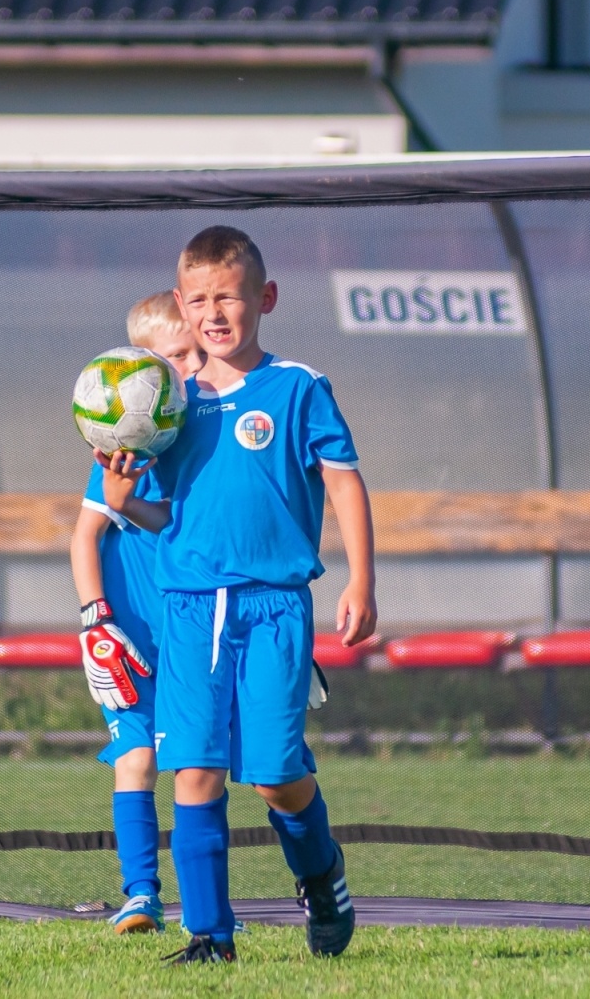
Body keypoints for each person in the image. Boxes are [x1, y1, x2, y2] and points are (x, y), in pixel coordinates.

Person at [100, 226, 377, 965]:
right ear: (181, 305)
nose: (213, 314)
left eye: (228, 297)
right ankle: (209, 937)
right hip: (190, 608)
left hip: (274, 608)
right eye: (198, 301)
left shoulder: (298, 387)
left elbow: (344, 480)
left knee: (278, 777)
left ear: (266, 298)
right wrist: (126, 502)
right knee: (194, 768)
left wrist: (361, 578)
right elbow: (169, 515)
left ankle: (321, 877)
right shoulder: (169, 406)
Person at [70, 291, 205, 935]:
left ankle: (204, 905)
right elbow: (84, 537)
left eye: (197, 353)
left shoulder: (203, 439)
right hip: (127, 638)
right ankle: (140, 894)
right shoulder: (116, 455)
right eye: (177, 356)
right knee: (136, 759)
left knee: (196, 766)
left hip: (190, 630)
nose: (191, 366)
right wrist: (96, 619)